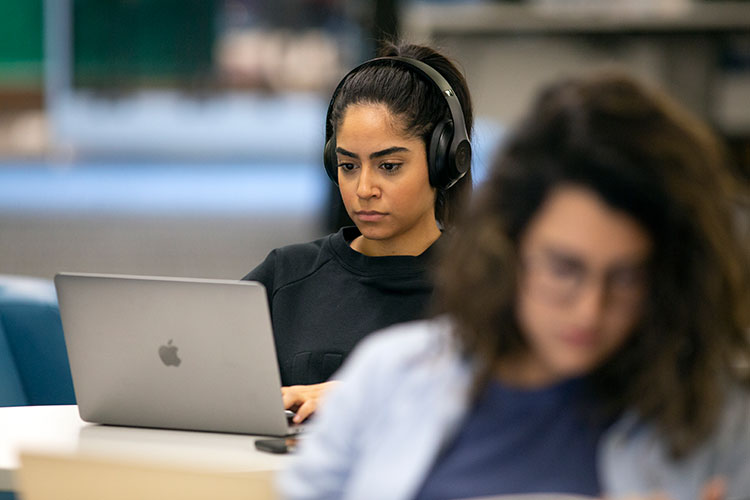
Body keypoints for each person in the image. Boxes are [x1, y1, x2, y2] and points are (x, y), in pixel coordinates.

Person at [278, 71, 750, 499]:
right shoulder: (391, 375)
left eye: (627, 279)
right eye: (565, 269)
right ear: (511, 247)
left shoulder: (719, 424)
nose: (589, 309)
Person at [242, 42, 474, 422]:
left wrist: (363, 395)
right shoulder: (286, 277)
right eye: (349, 166)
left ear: (443, 161)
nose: (364, 188)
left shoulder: (483, 287)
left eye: (389, 166)